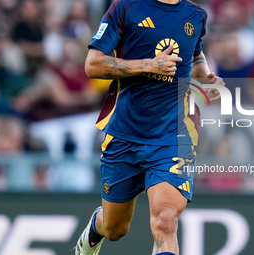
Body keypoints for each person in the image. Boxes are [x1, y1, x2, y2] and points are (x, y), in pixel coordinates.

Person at [75, 0, 224, 254]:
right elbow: (93, 64)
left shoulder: (196, 15)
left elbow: (195, 55)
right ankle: (96, 227)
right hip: (125, 133)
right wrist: (147, 65)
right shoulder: (125, 8)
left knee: (166, 222)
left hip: (172, 135)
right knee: (115, 229)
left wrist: (205, 76)